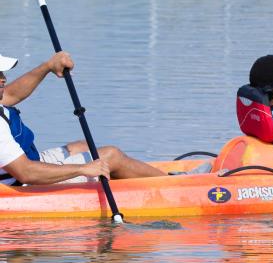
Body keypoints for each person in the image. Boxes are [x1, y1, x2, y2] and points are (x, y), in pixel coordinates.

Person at [0, 51, 164, 187]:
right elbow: (26, 173)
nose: (4, 79)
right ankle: (173, 184)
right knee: (112, 156)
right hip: (25, 183)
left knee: (83, 146)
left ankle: (124, 181)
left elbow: (11, 94)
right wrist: (83, 169)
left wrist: (48, 66)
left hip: (28, 163)